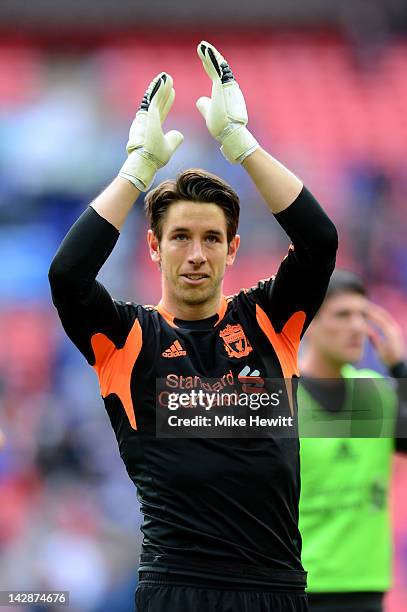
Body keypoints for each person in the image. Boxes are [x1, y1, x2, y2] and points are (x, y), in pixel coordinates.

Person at [49, 41, 338, 612]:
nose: (196, 254)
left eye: (211, 239)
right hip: (176, 587)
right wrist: (138, 169)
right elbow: (68, 275)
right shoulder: (126, 340)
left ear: (233, 249)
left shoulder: (267, 320)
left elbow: (319, 241)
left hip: (275, 590)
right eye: (180, 237)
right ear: (154, 247)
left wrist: (241, 144)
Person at [298, 270, 407, 612]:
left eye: (363, 315)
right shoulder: (278, 399)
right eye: (343, 315)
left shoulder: (376, 394)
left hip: (366, 590)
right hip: (297, 589)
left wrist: (400, 367)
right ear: (309, 323)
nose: (358, 327)